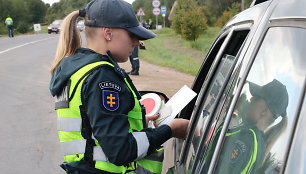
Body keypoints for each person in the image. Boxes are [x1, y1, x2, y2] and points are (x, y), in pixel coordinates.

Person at [49, 0, 189, 174]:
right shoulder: (101, 77)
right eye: (132, 35)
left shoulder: (77, 69)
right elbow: (121, 151)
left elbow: (89, 126)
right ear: (108, 33)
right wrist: (171, 129)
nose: (137, 42)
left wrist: (135, 122)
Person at [203, 79, 289, 174]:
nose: (251, 99)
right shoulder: (257, 142)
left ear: (264, 112)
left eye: (256, 98)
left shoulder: (246, 138)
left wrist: (196, 137)